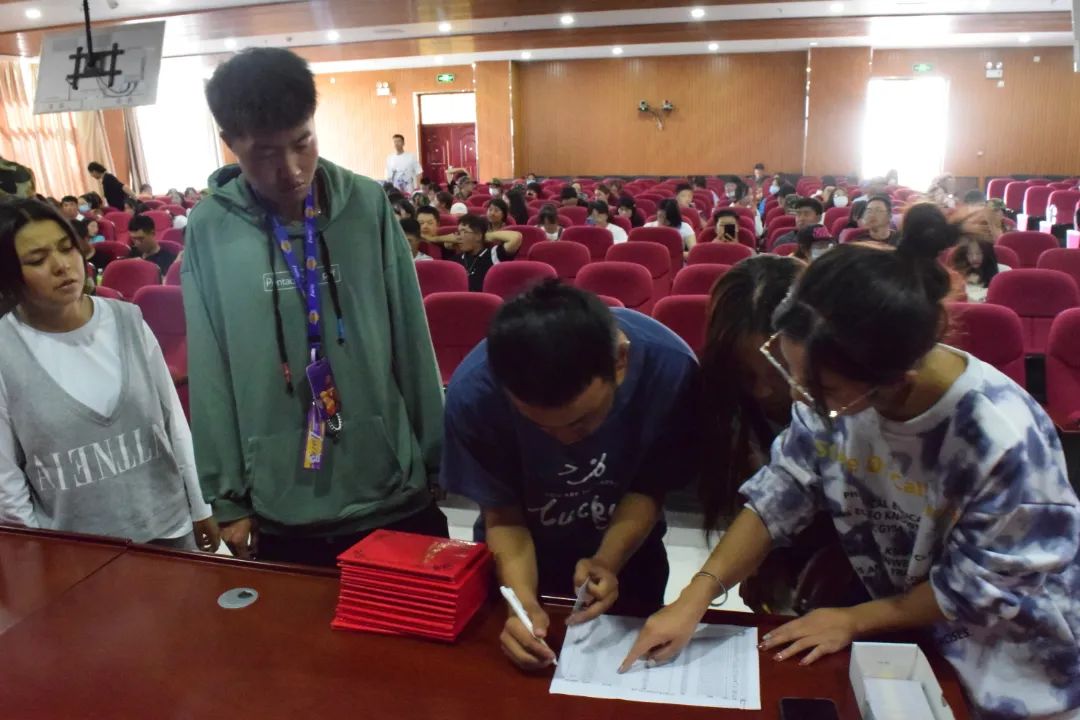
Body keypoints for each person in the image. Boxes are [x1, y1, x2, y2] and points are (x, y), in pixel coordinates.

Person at [622, 203, 1080, 720]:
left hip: (1010, 669)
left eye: (823, 390)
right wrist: (697, 595)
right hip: (909, 643)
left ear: (897, 381)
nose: (801, 399)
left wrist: (854, 620)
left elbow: (979, 589)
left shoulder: (1001, 439)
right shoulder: (835, 388)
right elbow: (781, 492)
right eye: (792, 371)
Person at [183, 47, 448, 567]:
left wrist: (436, 457)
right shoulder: (210, 228)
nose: (290, 169)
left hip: (390, 485)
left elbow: (411, 336)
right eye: (264, 153)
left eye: (302, 143)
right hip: (280, 499)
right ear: (229, 142)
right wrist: (227, 497)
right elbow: (210, 367)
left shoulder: (366, 205)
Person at [441, 280, 699, 671]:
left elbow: (649, 487)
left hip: (633, 558)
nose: (564, 440)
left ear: (620, 361)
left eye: (582, 422)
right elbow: (503, 516)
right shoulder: (474, 395)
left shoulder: (670, 371)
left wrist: (607, 560)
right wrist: (522, 604)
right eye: (540, 427)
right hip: (517, 560)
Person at [0, 198, 219, 552]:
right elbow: (5, 480)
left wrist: (200, 504)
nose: (61, 266)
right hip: (78, 551)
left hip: (168, 526)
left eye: (66, 248)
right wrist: (37, 551)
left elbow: (173, 422)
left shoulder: (127, 320)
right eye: (37, 260)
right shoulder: (6, 350)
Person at [442, 213, 522, 292]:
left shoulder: (494, 254)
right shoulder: (455, 260)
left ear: (478, 235)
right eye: (459, 232)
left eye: (464, 232)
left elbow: (516, 238)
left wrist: (487, 236)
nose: (459, 237)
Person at [950, 236, 1008, 303]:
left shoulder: (1004, 272)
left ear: (987, 253)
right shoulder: (958, 274)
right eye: (969, 254)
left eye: (979, 253)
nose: (974, 258)